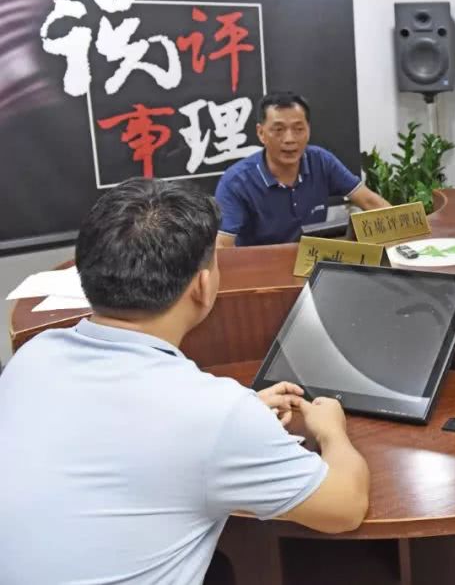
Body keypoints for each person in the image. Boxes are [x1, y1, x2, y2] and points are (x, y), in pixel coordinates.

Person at [0, 178, 371, 584]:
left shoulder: (32, 358)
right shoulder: (216, 415)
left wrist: (241, 415)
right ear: (203, 285)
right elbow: (345, 507)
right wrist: (331, 431)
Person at [215, 91, 389, 247]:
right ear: (261, 133)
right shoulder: (235, 182)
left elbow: (370, 202)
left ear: (308, 130)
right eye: (278, 130)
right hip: (260, 267)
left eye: (298, 129)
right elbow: (221, 245)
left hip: (312, 261)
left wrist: (403, 240)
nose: (289, 139)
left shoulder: (321, 161)